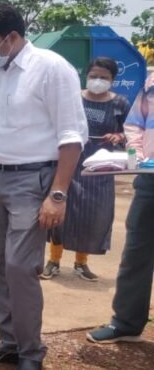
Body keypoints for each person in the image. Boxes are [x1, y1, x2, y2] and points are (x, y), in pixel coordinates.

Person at [0, 3, 87, 370]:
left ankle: (31, 353)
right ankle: (9, 341)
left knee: (20, 266)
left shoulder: (50, 69)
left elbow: (72, 136)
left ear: (13, 38)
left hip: (34, 180)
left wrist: (58, 194)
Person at [41, 57, 131, 282]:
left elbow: (131, 131)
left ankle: (81, 263)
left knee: (93, 217)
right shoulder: (73, 99)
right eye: (94, 76)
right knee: (61, 213)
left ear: (113, 80)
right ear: (86, 76)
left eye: (104, 77)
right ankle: (53, 261)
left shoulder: (120, 103)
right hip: (69, 163)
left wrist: (119, 136)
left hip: (100, 168)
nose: (98, 81)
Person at [87, 71, 154, 344]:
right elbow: (135, 123)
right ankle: (126, 323)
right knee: (136, 251)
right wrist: (139, 156)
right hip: (150, 178)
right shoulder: (151, 84)